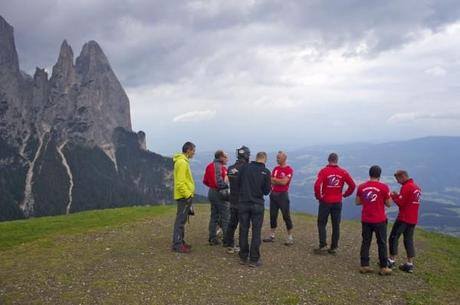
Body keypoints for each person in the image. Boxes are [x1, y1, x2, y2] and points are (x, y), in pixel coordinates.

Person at [314, 153, 356, 255]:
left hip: (325, 201)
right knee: (336, 225)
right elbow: (353, 185)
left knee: (322, 223)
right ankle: (334, 247)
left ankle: (323, 245)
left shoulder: (324, 171)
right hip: (337, 201)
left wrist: (319, 196)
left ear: (328, 160)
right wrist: (345, 195)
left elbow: (317, 185)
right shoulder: (343, 172)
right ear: (337, 160)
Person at [356, 165, 392, 275]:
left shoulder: (362, 187)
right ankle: (383, 267)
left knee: (366, 242)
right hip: (379, 219)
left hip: (366, 219)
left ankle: (364, 265)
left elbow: (357, 202)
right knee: (381, 243)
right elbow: (389, 204)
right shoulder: (384, 187)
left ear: (369, 174)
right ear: (379, 175)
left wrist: (367, 201)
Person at [238, 152, 271, 267]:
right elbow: (267, 191)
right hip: (257, 204)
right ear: (265, 159)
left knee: (243, 229)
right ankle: (254, 259)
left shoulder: (244, 167)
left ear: (255, 158)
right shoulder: (266, 172)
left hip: (243, 203)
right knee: (256, 231)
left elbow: (237, 183)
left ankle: (243, 257)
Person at [388, 170, 422, 273]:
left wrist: (394, 196)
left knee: (393, 237)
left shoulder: (406, 187)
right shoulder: (416, 187)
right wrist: (399, 195)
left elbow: (401, 204)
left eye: (398, 179)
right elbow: (408, 201)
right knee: (408, 240)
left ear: (403, 177)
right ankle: (409, 264)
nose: (398, 182)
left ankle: (391, 261)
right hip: (413, 218)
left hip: (404, 218)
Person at [263, 151, 295, 245]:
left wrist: (275, 180)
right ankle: (272, 235)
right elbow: (270, 180)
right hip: (274, 194)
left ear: (284, 158)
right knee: (273, 215)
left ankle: (290, 237)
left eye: (278, 158)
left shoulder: (289, 169)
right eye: (277, 158)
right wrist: (278, 180)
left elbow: (284, 182)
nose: (277, 159)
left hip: (283, 195)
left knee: (286, 216)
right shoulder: (276, 168)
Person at [223, 145, 251, 254]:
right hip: (243, 200)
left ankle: (229, 244)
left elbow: (226, 182)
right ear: (247, 155)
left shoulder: (230, 168)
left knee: (232, 223)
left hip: (233, 199)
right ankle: (240, 246)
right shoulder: (247, 168)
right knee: (243, 225)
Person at [171, 142, 196, 253]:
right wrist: (188, 195)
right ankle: (177, 244)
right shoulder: (182, 163)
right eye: (193, 150)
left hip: (183, 196)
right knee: (180, 221)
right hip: (184, 197)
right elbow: (180, 183)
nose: (194, 153)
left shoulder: (182, 161)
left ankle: (180, 241)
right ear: (188, 150)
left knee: (182, 219)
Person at [203, 150, 230, 246]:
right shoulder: (219, 167)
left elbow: (205, 181)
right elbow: (219, 183)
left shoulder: (209, 166)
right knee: (226, 216)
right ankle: (227, 240)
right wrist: (226, 185)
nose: (227, 159)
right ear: (221, 157)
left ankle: (212, 237)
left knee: (214, 215)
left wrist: (212, 186)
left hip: (211, 192)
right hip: (219, 193)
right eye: (226, 157)